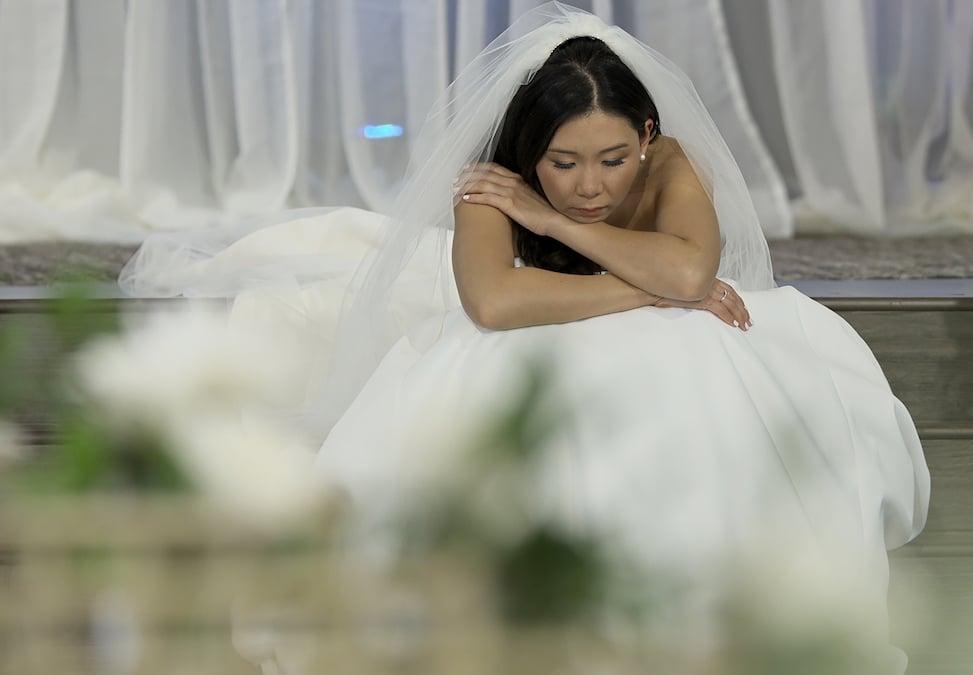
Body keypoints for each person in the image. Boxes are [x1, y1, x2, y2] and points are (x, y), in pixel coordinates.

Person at [121, 3, 929, 670]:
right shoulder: (493, 180)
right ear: (528, 151)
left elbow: (692, 273)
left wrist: (647, 272)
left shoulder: (673, 163)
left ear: (647, 135)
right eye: (563, 163)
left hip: (649, 313)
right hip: (528, 325)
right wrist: (565, 234)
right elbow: (497, 301)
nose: (591, 185)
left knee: (710, 372)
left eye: (613, 158)